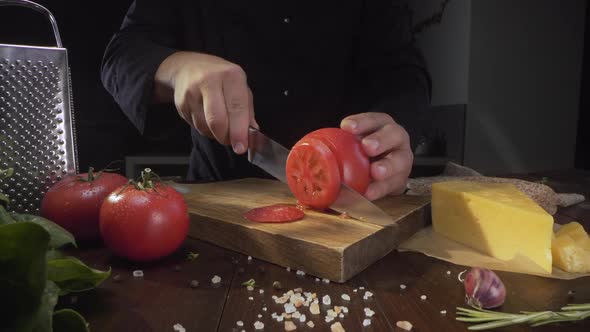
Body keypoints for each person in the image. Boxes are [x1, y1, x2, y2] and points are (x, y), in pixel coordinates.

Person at [101, 0, 431, 200]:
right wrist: (176, 67)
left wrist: (394, 128)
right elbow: (122, 53)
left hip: (347, 197)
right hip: (219, 191)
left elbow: (404, 74)